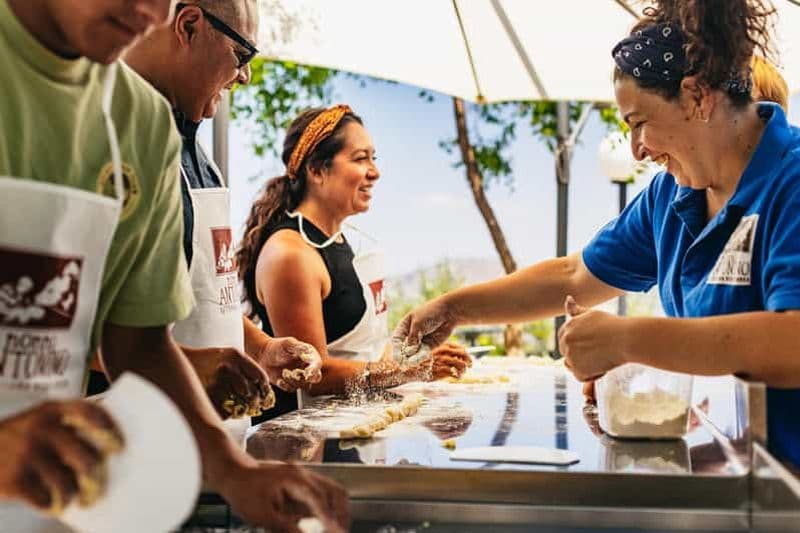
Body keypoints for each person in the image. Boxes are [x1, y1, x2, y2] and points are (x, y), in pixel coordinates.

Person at [393, 0, 800, 469]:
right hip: (725, 475)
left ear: (696, 97)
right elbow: (574, 276)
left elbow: (790, 341)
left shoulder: (789, 181)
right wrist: (455, 307)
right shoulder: (669, 197)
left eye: (639, 123)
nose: (637, 150)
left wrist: (629, 341)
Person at [0, 1, 348, 531]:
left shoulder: (140, 123)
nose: (148, 11)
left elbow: (137, 342)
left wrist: (234, 470)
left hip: (54, 501)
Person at [89, 0, 324, 445]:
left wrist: (261, 347)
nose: (245, 76)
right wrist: (188, 367)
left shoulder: (201, 159)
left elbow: (206, 298)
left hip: (220, 442)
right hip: (133, 442)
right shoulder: (103, 137)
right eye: (241, 56)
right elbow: (69, 321)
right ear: (190, 26)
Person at [237, 105, 472, 418]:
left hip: (353, 422)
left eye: (374, 158)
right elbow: (313, 377)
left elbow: (368, 352)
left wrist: (418, 347)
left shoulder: (347, 243)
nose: (375, 172)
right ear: (317, 170)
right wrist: (415, 371)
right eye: (361, 159)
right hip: (305, 441)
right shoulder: (290, 254)